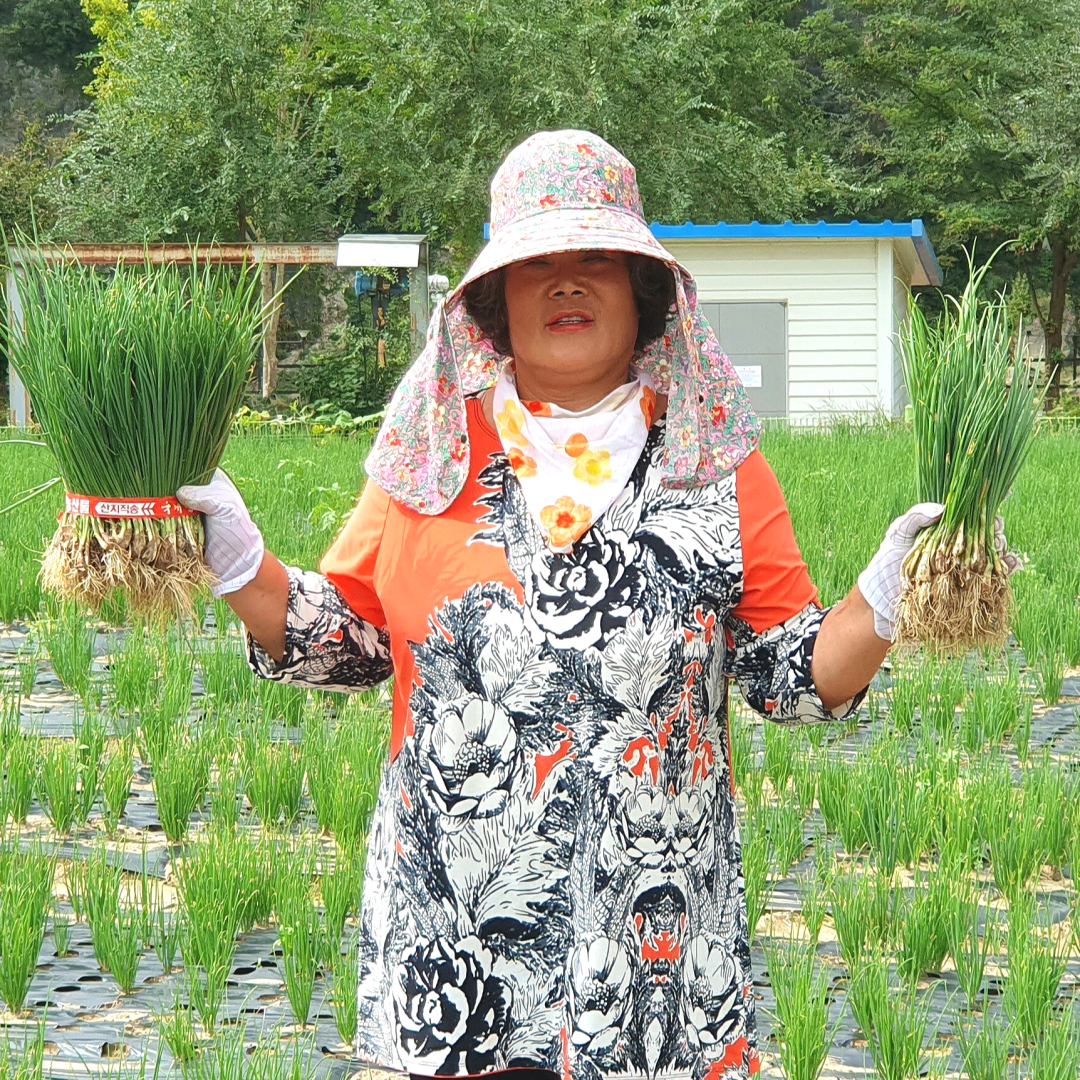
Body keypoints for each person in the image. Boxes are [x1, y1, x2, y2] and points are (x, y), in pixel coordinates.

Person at [177, 130, 1009, 1080]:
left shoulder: (715, 469)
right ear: (494, 301)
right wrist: (244, 567)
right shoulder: (430, 462)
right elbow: (352, 644)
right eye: (539, 264)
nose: (567, 283)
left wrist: (887, 597)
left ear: (643, 294)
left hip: (655, 957)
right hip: (454, 943)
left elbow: (794, 678)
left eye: (596, 262)